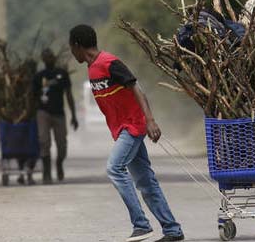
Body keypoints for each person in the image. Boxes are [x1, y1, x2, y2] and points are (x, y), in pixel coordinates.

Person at [69, 24, 184, 242]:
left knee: (114, 168)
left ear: (77, 45)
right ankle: (172, 230)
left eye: (71, 48)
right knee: (146, 182)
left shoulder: (108, 62)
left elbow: (136, 88)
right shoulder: (92, 68)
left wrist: (149, 120)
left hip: (133, 126)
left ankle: (141, 225)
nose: (71, 53)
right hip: (123, 128)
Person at [33, 48, 78, 184]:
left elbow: (69, 95)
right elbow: (32, 96)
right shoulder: (39, 76)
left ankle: (59, 163)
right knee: (44, 142)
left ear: (54, 58)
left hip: (59, 113)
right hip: (43, 112)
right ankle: (46, 173)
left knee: (62, 145)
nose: (48, 59)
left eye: (50, 56)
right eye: (45, 57)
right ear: (43, 59)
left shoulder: (61, 74)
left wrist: (74, 116)